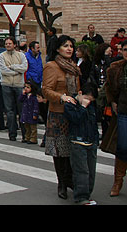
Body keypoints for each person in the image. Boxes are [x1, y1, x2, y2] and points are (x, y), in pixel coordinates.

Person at [42, 34, 81, 200]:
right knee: (59, 152)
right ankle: (62, 183)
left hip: (73, 114)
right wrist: (61, 97)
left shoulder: (74, 66)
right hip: (58, 114)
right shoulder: (52, 66)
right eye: (66, 46)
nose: (69, 49)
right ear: (58, 48)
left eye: (71, 46)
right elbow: (46, 90)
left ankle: (70, 179)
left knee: (72, 150)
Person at [64, 81, 100, 205]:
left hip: (91, 141)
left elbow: (94, 122)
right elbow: (75, 119)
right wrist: (83, 107)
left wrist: (95, 140)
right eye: (86, 99)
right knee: (81, 171)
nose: (88, 102)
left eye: (90, 100)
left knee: (91, 170)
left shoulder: (92, 105)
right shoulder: (70, 104)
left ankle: (88, 194)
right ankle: (81, 197)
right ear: (80, 93)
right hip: (77, 141)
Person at [104, 39, 127, 197]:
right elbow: (110, 87)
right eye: (125, 49)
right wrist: (112, 101)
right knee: (122, 146)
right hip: (124, 112)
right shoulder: (116, 68)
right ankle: (118, 182)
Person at [0, 37, 28, 141]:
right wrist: (16, 71)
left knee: (22, 110)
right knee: (10, 111)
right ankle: (12, 134)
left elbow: (24, 67)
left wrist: (12, 67)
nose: (8, 45)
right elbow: (3, 70)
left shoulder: (21, 55)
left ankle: (25, 135)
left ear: (14, 45)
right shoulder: (1, 56)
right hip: (6, 85)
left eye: (10, 43)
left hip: (19, 85)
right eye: (6, 44)